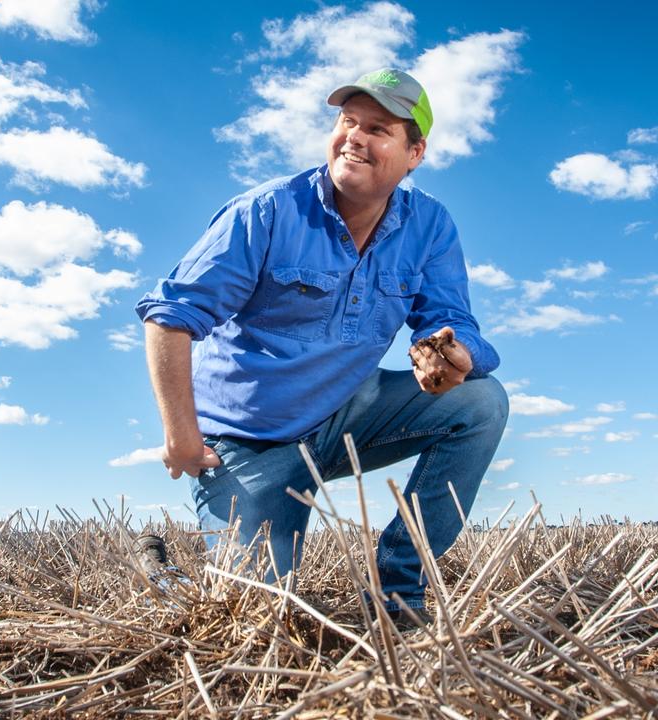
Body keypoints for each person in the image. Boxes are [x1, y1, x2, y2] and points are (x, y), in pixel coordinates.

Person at [135, 69, 508, 624]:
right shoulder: (266, 210)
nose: (354, 136)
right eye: (347, 121)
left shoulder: (429, 225)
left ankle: (398, 596)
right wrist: (182, 437)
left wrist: (457, 356)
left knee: (481, 401)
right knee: (252, 620)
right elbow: (170, 318)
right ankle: (159, 572)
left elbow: (452, 320)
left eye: (378, 128)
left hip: (346, 416)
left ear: (415, 153)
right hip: (250, 441)